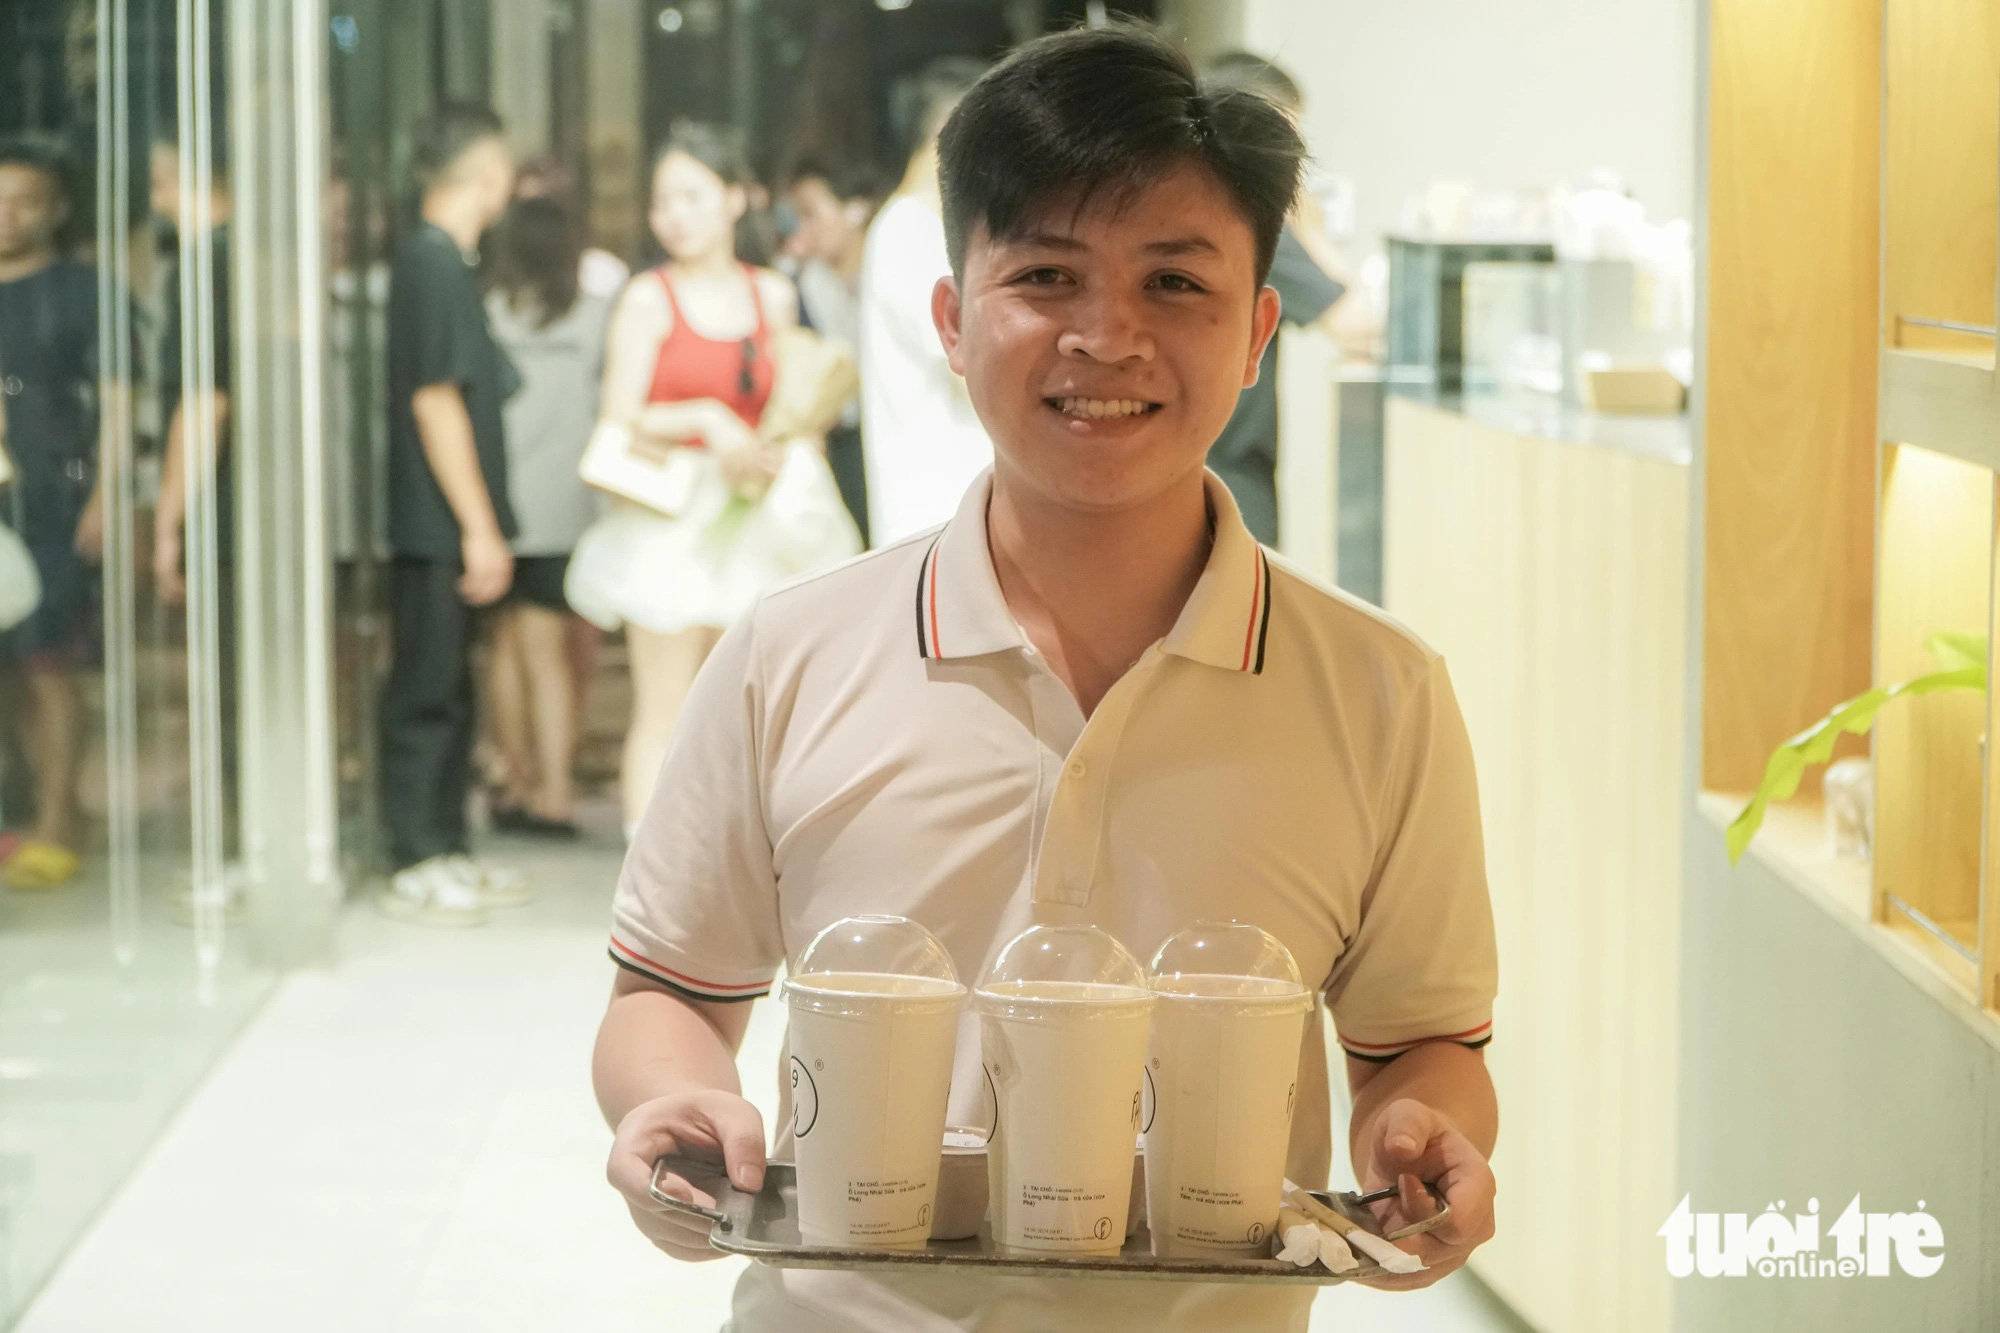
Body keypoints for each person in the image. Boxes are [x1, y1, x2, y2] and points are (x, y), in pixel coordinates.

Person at [593, 25, 1499, 1333]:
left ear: (1257, 332)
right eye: (1047, 276)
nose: (1106, 335)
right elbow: (672, 986)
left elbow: (1424, 1038)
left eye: (1174, 285)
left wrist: (1421, 1132)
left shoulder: (1380, 691)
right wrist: (669, 1099)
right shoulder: (791, 654)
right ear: (955, 324)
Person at [565, 123, 849, 841]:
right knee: (663, 707)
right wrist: (708, 419)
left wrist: (781, 445)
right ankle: (648, 872)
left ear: (733, 199)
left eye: (691, 196)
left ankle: (725, 871)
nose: (675, 215)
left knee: (743, 713)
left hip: (755, 519)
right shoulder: (646, 298)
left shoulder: (773, 295)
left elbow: (794, 409)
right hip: (668, 525)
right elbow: (620, 418)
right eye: (664, 201)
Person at [377, 103, 530, 924]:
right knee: (427, 689)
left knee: (450, 688)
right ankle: (415, 853)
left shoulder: (440, 261)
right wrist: (477, 524)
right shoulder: (430, 263)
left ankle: (445, 846)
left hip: (447, 522)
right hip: (434, 523)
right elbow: (437, 403)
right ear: (487, 175)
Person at [482, 195, 611, 838]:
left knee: (508, 645)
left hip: (500, 502)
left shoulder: (491, 315)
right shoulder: (597, 318)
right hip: (569, 506)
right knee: (550, 653)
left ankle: (520, 776)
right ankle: (553, 789)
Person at [1197, 52, 1355, 546]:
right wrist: (1310, 227)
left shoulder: (1194, 209)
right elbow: (1358, 323)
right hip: (1230, 472)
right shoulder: (1257, 225)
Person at [0, 139, 102, 891]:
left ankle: (60, 815)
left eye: (23, 201)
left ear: (54, 209)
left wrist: (107, 495)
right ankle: (29, 806)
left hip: (58, 497)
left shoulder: (82, 291)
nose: (6, 216)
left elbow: (122, 395)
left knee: (48, 659)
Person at [856, 57, 991, 545]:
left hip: (951, 506)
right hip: (932, 509)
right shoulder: (907, 231)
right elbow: (972, 369)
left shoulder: (929, 229)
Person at [783, 159, 882, 542]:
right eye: (796, 217)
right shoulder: (796, 286)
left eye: (811, 214)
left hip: (884, 436)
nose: (803, 230)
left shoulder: (888, 275)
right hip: (831, 445)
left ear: (855, 210)